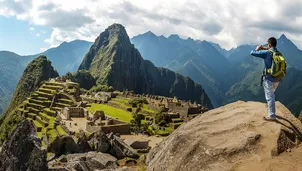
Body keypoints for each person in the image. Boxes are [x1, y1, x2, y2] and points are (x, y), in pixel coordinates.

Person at [250, 37, 279, 121]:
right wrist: (267, 48)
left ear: (269, 44)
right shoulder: (278, 53)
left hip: (269, 78)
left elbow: (252, 53)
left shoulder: (267, 53)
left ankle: (272, 115)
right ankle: (271, 111)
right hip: (277, 79)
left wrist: (258, 48)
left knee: (270, 97)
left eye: (267, 44)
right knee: (272, 95)